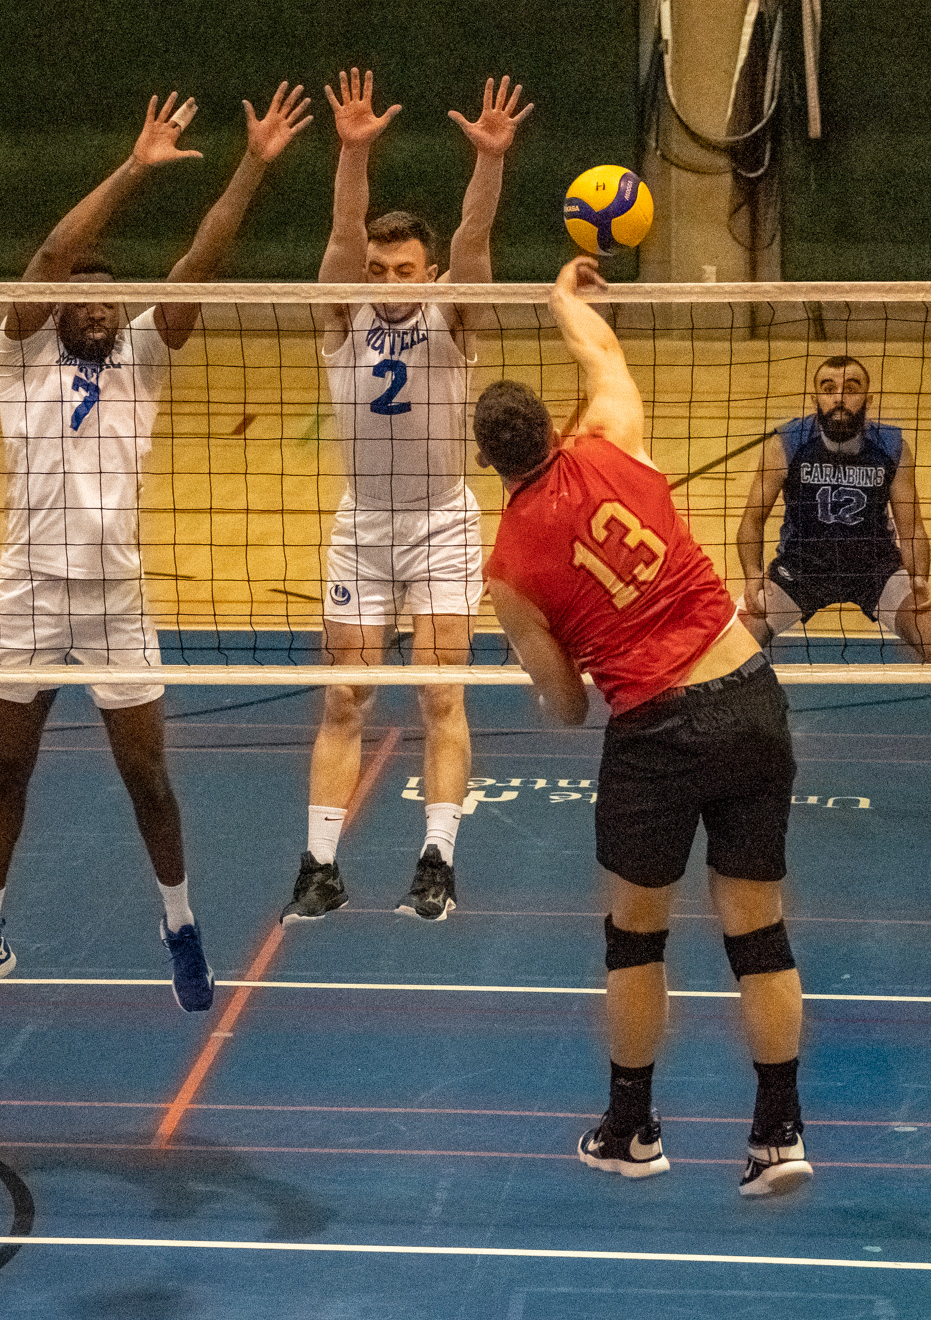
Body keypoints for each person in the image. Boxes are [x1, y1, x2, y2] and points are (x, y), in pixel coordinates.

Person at [0, 86, 313, 1018]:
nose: (96, 303)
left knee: (147, 778)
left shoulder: (142, 355)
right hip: (25, 593)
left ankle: (179, 926)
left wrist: (253, 164)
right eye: (81, 295)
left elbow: (201, 257)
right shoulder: (19, 354)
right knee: (3, 771)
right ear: (57, 308)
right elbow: (53, 254)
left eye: (109, 295)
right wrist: (135, 168)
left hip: (115, 600)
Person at [476, 255, 812, 1198]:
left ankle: (633, 1128)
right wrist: (558, 298)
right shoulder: (613, 436)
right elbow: (604, 353)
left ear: (491, 461)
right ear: (554, 426)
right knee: (759, 931)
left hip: (658, 731)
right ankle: (778, 1133)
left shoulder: (507, 569)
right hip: (747, 688)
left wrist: (557, 649)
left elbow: (569, 703)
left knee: (637, 934)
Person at [282, 69, 532, 926]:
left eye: (406, 267)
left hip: (441, 526)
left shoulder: (451, 320)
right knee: (345, 696)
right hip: (363, 527)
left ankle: (437, 862)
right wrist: (352, 152)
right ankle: (319, 866)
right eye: (380, 265)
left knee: (439, 694)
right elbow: (342, 233)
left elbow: (473, 237)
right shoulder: (342, 319)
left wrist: (489, 164)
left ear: (428, 275)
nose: (390, 276)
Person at [736, 355, 931, 814]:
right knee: (727, 649)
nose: (839, 396)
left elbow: (912, 528)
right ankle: (706, 764)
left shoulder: (890, 445)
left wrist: (919, 577)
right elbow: (751, 520)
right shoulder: (787, 443)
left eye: (851, 387)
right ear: (816, 397)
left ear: (867, 395)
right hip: (802, 568)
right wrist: (752, 577)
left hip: (876, 568)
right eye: (828, 387)